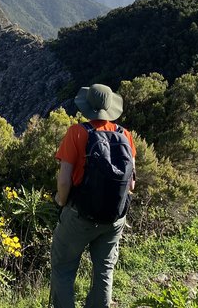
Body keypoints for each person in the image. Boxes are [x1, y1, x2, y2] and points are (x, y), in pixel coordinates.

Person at [50, 84, 136, 308]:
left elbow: (63, 180)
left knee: (63, 268)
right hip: (115, 218)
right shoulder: (125, 135)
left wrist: (61, 201)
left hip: (80, 216)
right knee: (104, 271)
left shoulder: (77, 133)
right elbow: (132, 183)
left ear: (87, 107)